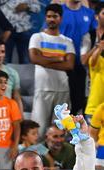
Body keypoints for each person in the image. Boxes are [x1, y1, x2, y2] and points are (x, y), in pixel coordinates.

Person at [29, 4, 76, 133]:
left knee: (60, 131)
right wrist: (59, 58)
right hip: (43, 89)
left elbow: (69, 65)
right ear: (45, 18)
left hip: (62, 90)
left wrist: (44, 60)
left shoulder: (67, 41)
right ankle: (39, 154)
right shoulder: (37, 37)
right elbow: (34, 59)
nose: (51, 19)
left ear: (60, 18)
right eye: (49, 16)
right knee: (38, 130)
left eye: (54, 16)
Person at [59, 0, 95, 113]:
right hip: (60, 65)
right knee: (61, 105)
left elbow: (96, 36)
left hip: (81, 66)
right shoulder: (58, 11)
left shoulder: (90, 13)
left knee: (78, 104)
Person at [84, 5, 104, 118]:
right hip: (88, 80)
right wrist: (97, 47)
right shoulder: (89, 36)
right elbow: (84, 61)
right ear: (96, 16)